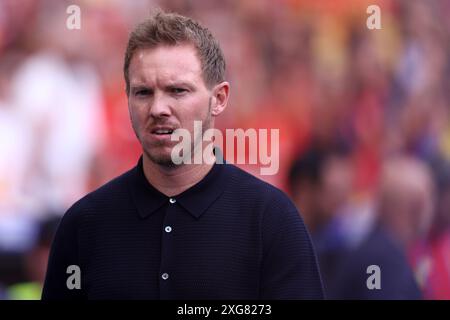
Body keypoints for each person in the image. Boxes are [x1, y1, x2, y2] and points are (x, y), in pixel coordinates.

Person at [41, 11, 323, 300]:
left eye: (177, 90)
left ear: (219, 99)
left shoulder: (270, 219)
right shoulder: (84, 225)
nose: (158, 108)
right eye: (143, 92)